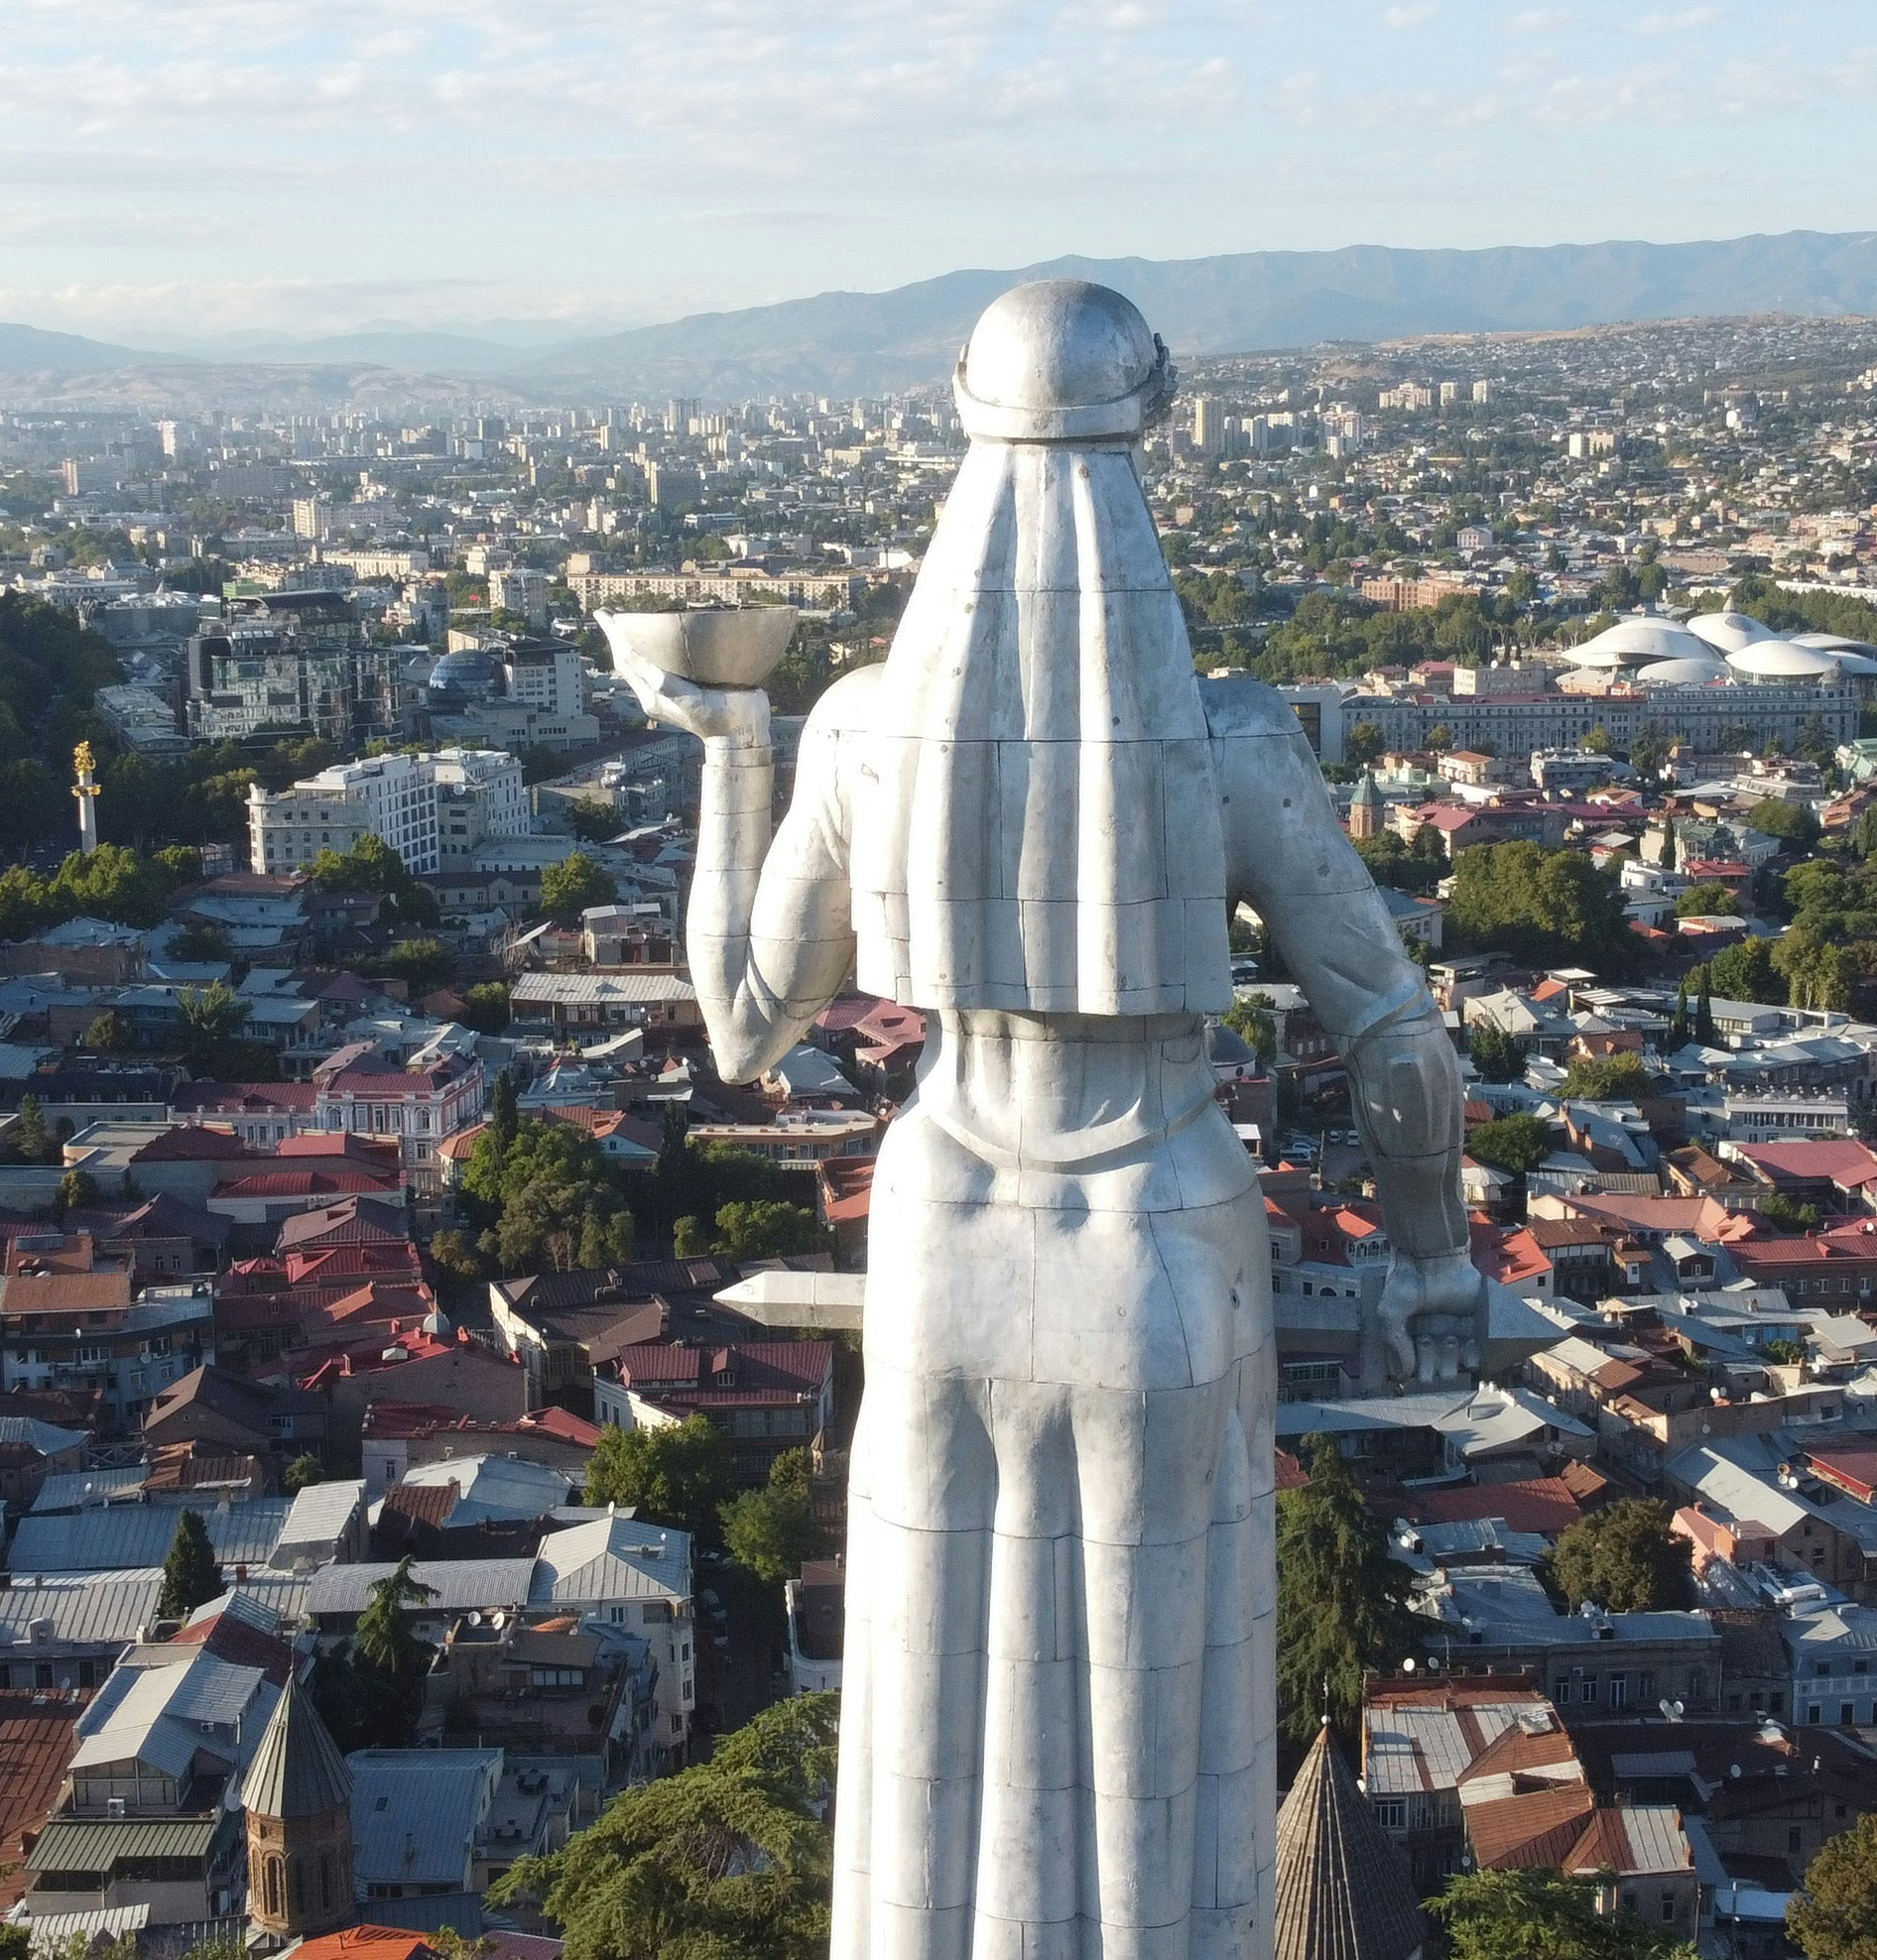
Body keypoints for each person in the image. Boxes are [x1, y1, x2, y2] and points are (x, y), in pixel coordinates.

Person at [611, 278, 1469, 1959]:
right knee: (1169, 1763)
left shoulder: (864, 729)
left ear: (960, 418)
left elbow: (741, 1020)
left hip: (944, 1230)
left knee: (938, 1722)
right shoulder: (1227, 744)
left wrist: (731, 748)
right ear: (1150, 420)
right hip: (1163, 1230)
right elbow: (1398, 1049)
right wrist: (1429, 1253)